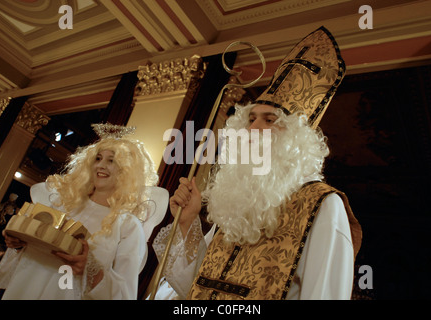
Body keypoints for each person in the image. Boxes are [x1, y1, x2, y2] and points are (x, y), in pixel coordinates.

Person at [153, 26, 362, 300]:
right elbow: (195, 283)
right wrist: (189, 220)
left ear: (295, 138)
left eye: (269, 120)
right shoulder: (237, 199)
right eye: (251, 119)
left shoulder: (322, 204)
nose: (253, 129)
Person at [0, 123, 167, 299]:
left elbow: (124, 293)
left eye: (111, 160)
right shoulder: (62, 205)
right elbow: (31, 252)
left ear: (126, 170)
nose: (101, 166)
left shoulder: (128, 226)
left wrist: (90, 272)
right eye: (98, 159)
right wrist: (18, 243)